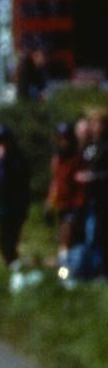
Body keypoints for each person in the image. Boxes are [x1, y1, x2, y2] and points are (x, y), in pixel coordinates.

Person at [0, 125, 32, 267]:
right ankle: (11, 261)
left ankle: (14, 261)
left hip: (17, 203)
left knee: (13, 233)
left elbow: (22, 177)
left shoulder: (18, 158)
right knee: (3, 235)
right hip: (2, 203)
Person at [45, 121, 85, 270]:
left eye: (66, 139)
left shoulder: (78, 158)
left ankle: (69, 271)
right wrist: (49, 204)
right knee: (62, 239)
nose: (63, 143)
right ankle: (65, 271)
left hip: (76, 205)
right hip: (62, 204)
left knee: (70, 238)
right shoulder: (57, 160)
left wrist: (79, 206)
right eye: (60, 139)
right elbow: (55, 183)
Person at [74, 109, 108, 277]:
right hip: (87, 199)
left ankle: (101, 270)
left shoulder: (105, 147)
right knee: (88, 233)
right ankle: (89, 269)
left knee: (99, 234)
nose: (94, 127)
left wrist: (92, 177)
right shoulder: (90, 147)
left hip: (102, 199)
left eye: (98, 124)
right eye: (93, 123)